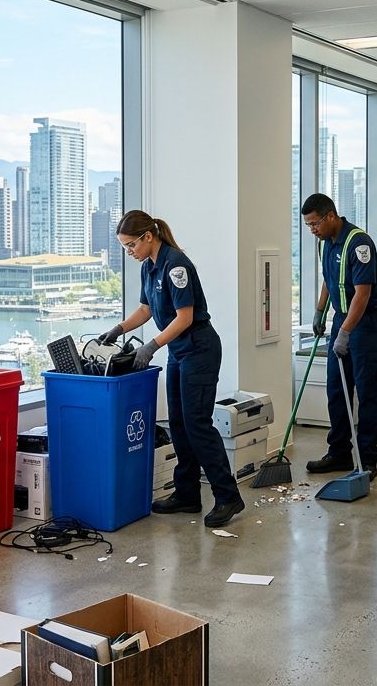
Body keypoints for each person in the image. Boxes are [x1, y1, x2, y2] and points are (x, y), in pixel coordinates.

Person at [100, 210, 245, 528]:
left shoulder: (176, 264)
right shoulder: (149, 267)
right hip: (180, 353)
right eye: (125, 247)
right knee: (178, 424)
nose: (129, 252)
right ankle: (187, 494)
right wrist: (118, 329)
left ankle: (227, 496)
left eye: (130, 246)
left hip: (199, 350)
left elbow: (185, 317)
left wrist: (151, 346)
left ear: (147, 237)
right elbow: (146, 309)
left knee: (197, 425)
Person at [299, 193, 377, 479]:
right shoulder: (324, 244)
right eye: (308, 226)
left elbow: (362, 295)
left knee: (366, 392)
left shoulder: (358, 243)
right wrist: (319, 311)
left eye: (315, 224)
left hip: (366, 322)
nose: (312, 230)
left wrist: (346, 332)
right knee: (336, 390)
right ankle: (339, 453)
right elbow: (329, 277)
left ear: (330, 216)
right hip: (342, 318)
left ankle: (367, 460)